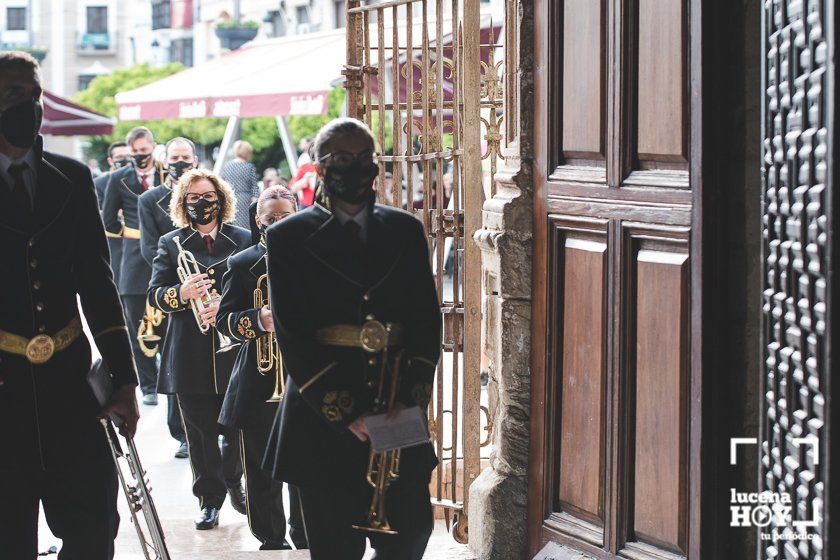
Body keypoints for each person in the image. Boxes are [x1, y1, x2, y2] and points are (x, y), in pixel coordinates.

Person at [263, 118, 441, 559]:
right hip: (322, 419)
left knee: (411, 536)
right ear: (320, 167)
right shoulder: (288, 237)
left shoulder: (404, 230)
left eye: (365, 159)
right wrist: (344, 411)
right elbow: (293, 333)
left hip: (396, 404)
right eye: (342, 159)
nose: (356, 169)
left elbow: (425, 319)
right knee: (334, 546)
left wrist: (411, 396)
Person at [0, 51, 139, 559]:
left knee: (94, 527)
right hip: (3, 396)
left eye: (34, 94)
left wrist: (124, 381)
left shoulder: (71, 178)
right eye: (15, 94)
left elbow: (98, 286)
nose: (30, 105)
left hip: (70, 388)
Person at [147, 168, 250, 530]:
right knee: (201, 435)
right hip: (189, 353)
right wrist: (182, 293)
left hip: (235, 350)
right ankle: (209, 500)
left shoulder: (244, 238)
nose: (201, 203)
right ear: (182, 203)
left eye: (208, 196)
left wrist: (225, 303)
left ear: (221, 200)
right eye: (193, 198)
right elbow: (156, 295)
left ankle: (234, 480)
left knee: (237, 426)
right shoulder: (171, 243)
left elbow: (255, 289)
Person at [217, 185, 309, 551]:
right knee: (260, 465)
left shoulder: (315, 256)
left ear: (298, 214)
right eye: (269, 219)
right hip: (260, 378)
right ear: (258, 221)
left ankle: (306, 532)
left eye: (284, 217)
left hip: (305, 378)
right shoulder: (242, 264)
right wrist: (258, 318)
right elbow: (224, 320)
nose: (275, 224)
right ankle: (271, 536)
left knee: (305, 461)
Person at [138, 136, 198, 459]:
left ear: (195, 160)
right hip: (172, 289)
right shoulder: (150, 200)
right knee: (174, 360)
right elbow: (149, 248)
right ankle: (184, 432)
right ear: (165, 161)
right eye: (174, 157)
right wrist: (179, 283)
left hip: (208, 288)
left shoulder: (210, 191)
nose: (179, 163)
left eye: (185, 157)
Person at [102, 126, 165, 406]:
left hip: (165, 253)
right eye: (136, 152)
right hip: (133, 257)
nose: (141, 155)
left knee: (169, 319)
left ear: (153, 146)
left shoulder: (168, 173)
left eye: (145, 150)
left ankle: (168, 377)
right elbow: (107, 220)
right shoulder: (119, 178)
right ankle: (149, 385)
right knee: (137, 323)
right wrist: (130, 233)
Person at [94, 141, 132, 288]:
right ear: (111, 160)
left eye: (128, 156)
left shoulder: (136, 180)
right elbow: (102, 214)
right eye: (120, 157)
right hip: (113, 244)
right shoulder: (99, 183)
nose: (125, 160)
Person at [220, 140, 259, 230]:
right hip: (246, 201)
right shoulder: (249, 167)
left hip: (230, 199)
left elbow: (222, 184)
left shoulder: (227, 166)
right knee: (245, 227)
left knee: (232, 225)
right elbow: (254, 187)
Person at [288, 143, 317, 208]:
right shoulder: (305, 167)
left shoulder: (327, 164)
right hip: (308, 204)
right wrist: (305, 179)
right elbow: (293, 188)